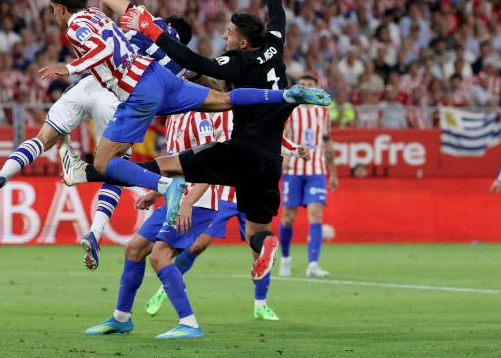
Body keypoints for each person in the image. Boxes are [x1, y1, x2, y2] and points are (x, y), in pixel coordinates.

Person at [62, 0, 330, 281]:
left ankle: (86, 172)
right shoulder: (275, 46)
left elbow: (196, 62)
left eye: (229, 34)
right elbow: (278, 14)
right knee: (256, 233)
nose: (224, 38)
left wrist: (151, 30)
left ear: (243, 43)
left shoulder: (238, 63)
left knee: (164, 166)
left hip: (239, 152)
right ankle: (268, 243)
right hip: (270, 162)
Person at [0, 0, 195, 272]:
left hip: (89, 83)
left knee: (42, 140)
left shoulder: (149, 22)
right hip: (120, 95)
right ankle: (95, 232)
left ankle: (0, 176)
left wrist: (104, 19)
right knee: (115, 167)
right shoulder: (184, 62)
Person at [143, 110, 310, 322]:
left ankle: (261, 304)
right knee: (198, 245)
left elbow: (272, 139)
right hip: (226, 192)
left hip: (238, 189)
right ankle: (164, 289)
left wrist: (296, 150)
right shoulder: (214, 113)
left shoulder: (232, 111)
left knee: (255, 253)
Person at [84, 110, 220, 339]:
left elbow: (211, 163)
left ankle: (189, 324)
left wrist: (187, 202)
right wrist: (155, 193)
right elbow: (178, 166)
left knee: (159, 256)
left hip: (197, 202)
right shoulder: (173, 118)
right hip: (174, 198)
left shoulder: (199, 117)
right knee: (134, 249)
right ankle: (121, 318)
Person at [279, 75, 339, 278]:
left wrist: (334, 173)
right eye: (302, 85)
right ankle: (285, 259)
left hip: (317, 171)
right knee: (288, 217)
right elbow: (281, 136)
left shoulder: (323, 112)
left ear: (316, 88)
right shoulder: (290, 110)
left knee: (316, 214)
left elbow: (327, 142)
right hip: (293, 171)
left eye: (310, 85)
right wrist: (283, 158)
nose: (305, 88)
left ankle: (313, 264)